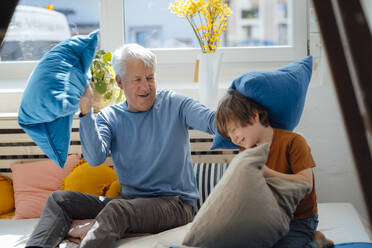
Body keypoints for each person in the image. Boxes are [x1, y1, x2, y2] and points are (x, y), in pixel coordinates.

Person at [25, 43, 216, 248]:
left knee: (117, 211)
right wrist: (86, 112)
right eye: (137, 80)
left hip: (174, 205)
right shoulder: (110, 117)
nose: (146, 86)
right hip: (129, 204)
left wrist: (239, 117)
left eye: (150, 78)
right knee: (60, 199)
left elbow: (213, 121)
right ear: (119, 81)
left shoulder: (175, 104)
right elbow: (95, 157)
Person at [215, 89, 334, 248]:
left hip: (299, 220)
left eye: (234, 129)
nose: (233, 138)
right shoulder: (245, 153)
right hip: (267, 221)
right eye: (228, 135)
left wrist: (267, 173)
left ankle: (316, 241)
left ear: (254, 116)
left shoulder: (293, 142)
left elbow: (307, 183)